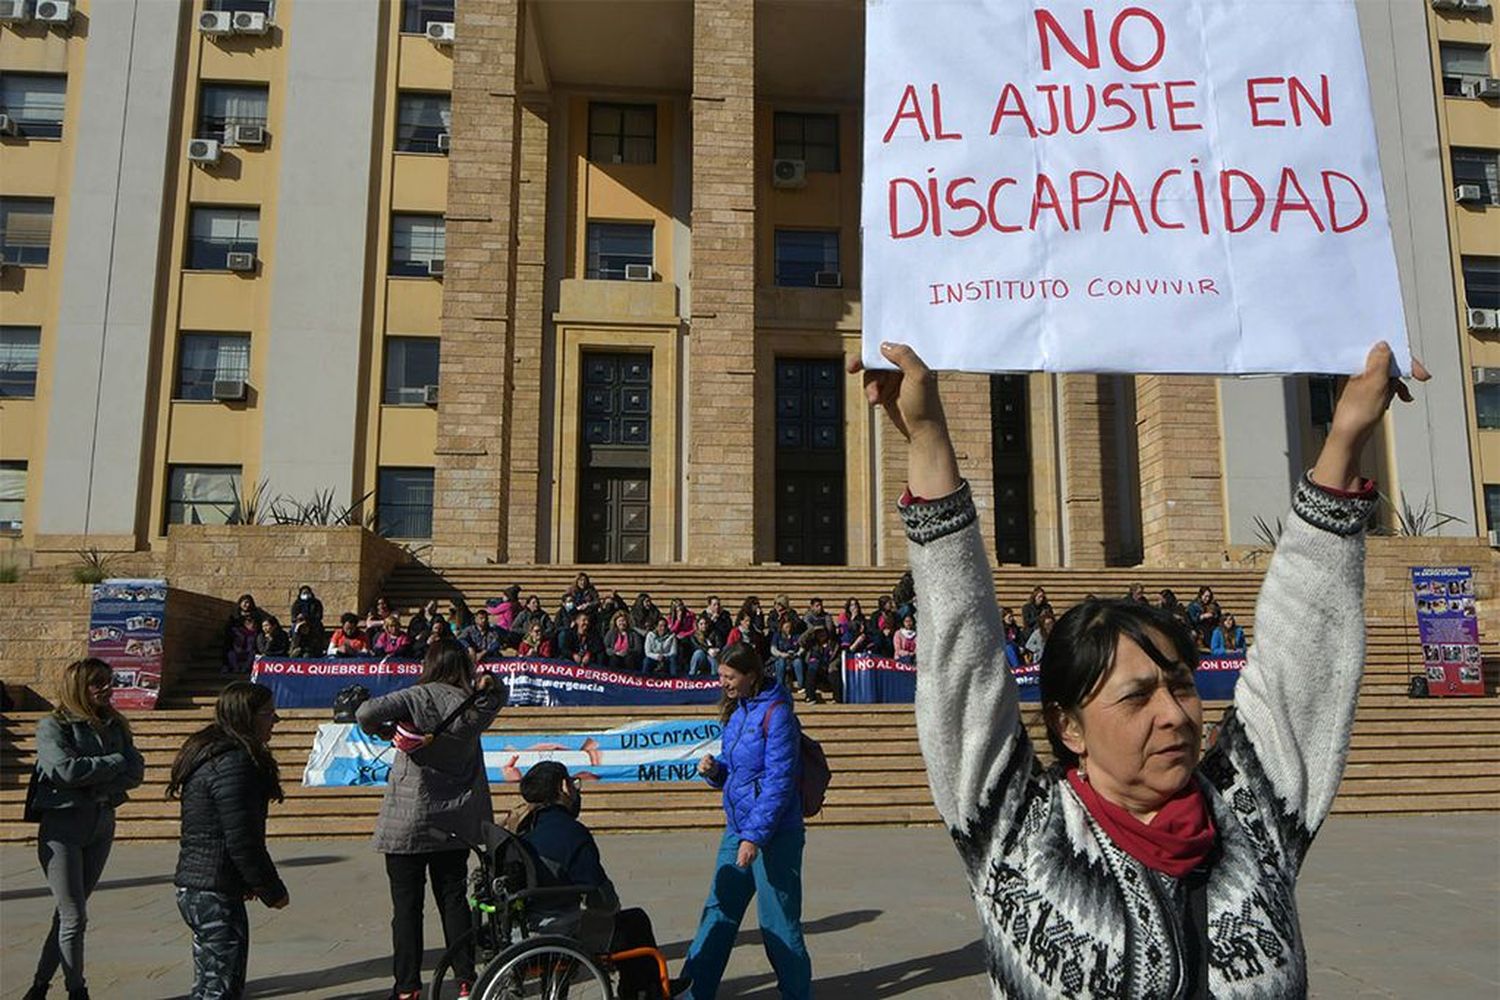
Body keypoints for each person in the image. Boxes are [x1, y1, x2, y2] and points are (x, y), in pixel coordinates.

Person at [855, 338, 1424, 997]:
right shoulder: (1016, 831)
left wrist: (1346, 432)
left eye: (1181, 685)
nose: (1173, 713)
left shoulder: (1250, 816)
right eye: (1136, 696)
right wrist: (926, 435)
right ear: (1070, 727)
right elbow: (962, 653)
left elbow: (1305, 653)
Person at [356, 642, 506, 1000]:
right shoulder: (475, 706)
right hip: (454, 820)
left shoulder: (416, 696)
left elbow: (365, 712)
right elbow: (498, 691)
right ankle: (466, 980)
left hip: (408, 819)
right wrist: (484, 676)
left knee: (406, 909)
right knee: (453, 900)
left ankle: (408, 987)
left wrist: (391, 733)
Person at [683, 645, 811, 998]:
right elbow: (741, 775)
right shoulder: (738, 712)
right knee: (718, 911)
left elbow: (779, 783)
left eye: (729, 676)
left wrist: (754, 838)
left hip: (774, 836)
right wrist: (715, 772)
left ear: (751, 676)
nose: (722, 682)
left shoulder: (778, 713)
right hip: (738, 829)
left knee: (778, 924)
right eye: (720, 675)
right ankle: (693, 990)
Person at [507, 762, 690, 1000]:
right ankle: (643, 992)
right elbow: (602, 900)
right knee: (633, 922)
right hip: (556, 932)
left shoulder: (523, 829)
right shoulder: (571, 833)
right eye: (573, 783)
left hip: (519, 931)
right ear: (563, 787)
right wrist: (610, 906)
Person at [24, 658, 146, 1000]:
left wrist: (95, 782)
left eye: (109, 681)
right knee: (74, 916)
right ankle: (77, 990)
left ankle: (37, 988)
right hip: (62, 827)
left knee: (66, 916)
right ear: (80, 688)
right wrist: (112, 764)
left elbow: (136, 772)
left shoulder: (115, 725)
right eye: (98, 684)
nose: (108, 689)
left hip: (101, 822)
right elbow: (63, 770)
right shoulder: (54, 726)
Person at [168, 682, 289, 1000]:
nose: (275, 720)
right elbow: (242, 838)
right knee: (221, 987)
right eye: (268, 713)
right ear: (247, 717)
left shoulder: (217, 754)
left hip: (202, 885)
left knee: (209, 983)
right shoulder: (234, 763)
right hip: (212, 889)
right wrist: (270, 889)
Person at [769, 617, 806, 692]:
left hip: (793, 657)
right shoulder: (777, 635)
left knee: (798, 662)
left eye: (789, 627)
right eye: (786, 627)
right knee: (781, 663)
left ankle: (800, 685)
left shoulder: (796, 635)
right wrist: (782, 654)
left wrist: (797, 653)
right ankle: (780, 685)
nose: (788, 629)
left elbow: (802, 647)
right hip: (781, 657)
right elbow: (773, 649)